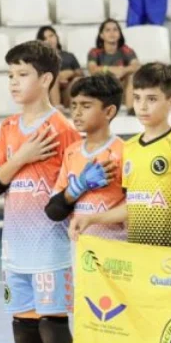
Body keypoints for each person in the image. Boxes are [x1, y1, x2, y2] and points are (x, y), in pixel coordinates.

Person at [0, 41, 81, 343]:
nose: (13, 82)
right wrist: (21, 156)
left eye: (22, 75)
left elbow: (71, 192)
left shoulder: (63, 129)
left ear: (46, 79)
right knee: (23, 331)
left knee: (52, 328)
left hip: (51, 247)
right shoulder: (8, 128)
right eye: (10, 75)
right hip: (14, 250)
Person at [71, 63, 171, 247]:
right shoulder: (130, 147)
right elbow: (133, 206)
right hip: (139, 253)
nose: (142, 106)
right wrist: (91, 219)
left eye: (152, 99)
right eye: (137, 98)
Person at [46, 74, 125, 242]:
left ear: (109, 111)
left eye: (86, 106)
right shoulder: (71, 152)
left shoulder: (125, 151)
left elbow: (137, 208)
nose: (77, 112)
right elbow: (53, 211)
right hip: (80, 250)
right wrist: (79, 186)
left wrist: (93, 219)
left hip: (116, 249)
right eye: (74, 105)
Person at [87, 20, 141, 109]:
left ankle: (131, 110)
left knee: (131, 77)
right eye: (108, 30)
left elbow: (136, 66)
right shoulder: (94, 52)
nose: (112, 33)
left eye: (115, 30)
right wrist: (111, 70)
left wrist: (123, 71)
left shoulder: (126, 50)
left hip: (122, 86)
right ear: (101, 35)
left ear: (119, 34)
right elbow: (92, 69)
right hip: (103, 87)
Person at [36, 26, 84, 110]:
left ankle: (73, 109)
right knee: (53, 76)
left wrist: (70, 73)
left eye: (51, 36)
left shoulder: (69, 56)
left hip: (67, 91)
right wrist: (58, 78)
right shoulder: (40, 58)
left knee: (77, 80)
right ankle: (57, 109)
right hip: (49, 93)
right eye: (45, 38)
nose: (49, 40)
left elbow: (80, 73)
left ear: (56, 37)